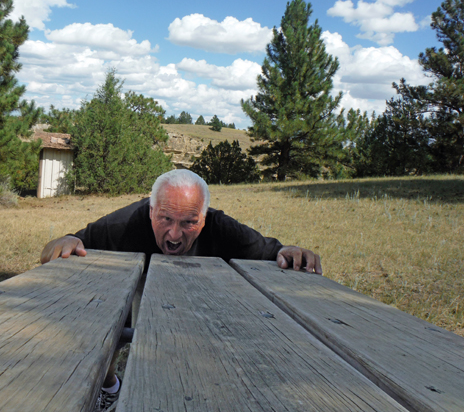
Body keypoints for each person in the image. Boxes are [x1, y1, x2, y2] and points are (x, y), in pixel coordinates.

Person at [40, 169, 322, 409]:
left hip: (198, 311)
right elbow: (72, 241)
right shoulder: (122, 224)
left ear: (204, 216)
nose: (175, 235)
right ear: (151, 210)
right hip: (133, 293)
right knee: (107, 316)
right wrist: (63, 242)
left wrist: (292, 252)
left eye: (189, 222)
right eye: (165, 219)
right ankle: (109, 388)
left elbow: (271, 251)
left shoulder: (221, 227)